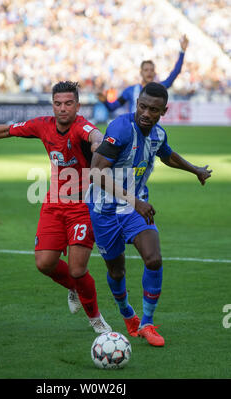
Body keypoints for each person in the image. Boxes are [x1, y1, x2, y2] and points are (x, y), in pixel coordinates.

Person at [0, 81, 112, 334]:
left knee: (78, 269)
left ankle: (96, 320)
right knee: (45, 263)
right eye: (58, 103)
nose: (62, 109)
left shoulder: (82, 127)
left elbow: (95, 135)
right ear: (53, 105)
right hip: (54, 203)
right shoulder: (42, 125)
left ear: (77, 106)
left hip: (82, 205)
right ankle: (73, 288)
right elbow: (7, 131)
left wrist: (97, 146)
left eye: (69, 103)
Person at [87, 82, 212, 346]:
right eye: (142, 106)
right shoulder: (120, 129)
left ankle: (146, 323)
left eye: (153, 109)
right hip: (105, 211)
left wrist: (195, 170)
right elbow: (96, 172)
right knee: (117, 270)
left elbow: (167, 155)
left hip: (135, 208)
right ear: (137, 104)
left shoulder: (158, 134)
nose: (146, 113)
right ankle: (126, 313)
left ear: (163, 111)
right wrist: (135, 201)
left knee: (153, 259)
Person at [98, 35, 189, 114]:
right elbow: (112, 107)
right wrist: (105, 101)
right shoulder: (130, 91)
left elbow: (175, 73)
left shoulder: (159, 88)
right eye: (146, 70)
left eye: (151, 70)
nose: (149, 72)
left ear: (154, 73)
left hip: (151, 132)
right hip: (134, 131)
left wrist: (182, 52)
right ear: (141, 72)